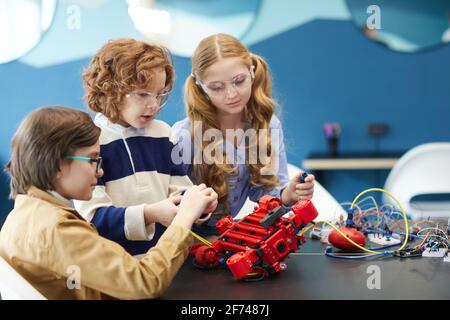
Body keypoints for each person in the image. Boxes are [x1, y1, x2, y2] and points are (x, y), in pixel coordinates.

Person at [0, 106, 218, 299]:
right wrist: (184, 218)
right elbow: (145, 282)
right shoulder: (59, 229)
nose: (100, 170)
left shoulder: (23, 214)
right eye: (93, 159)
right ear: (58, 164)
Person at [75, 38, 216, 255]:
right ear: (109, 90)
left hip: (166, 260)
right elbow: (93, 219)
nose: (154, 105)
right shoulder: (90, 144)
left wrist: (197, 205)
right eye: (142, 94)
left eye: (159, 94)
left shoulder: (164, 133)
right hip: (118, 267)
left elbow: (179, 191)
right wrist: (149, 214)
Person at [172, 33, 315, 236]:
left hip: (225, 238)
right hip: (183, 241)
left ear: (252, 71)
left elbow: (265, 193)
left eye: (238, 81)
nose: (231, 94)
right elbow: (168, 200)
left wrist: (288, 195)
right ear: (201, 87)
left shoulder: (267, 125)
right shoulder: (185, 135)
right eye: (217, 87)